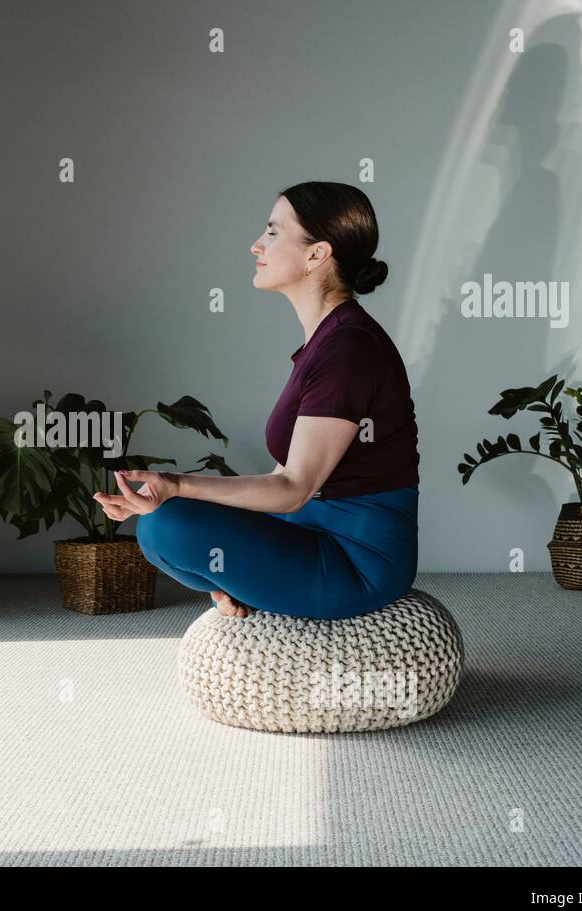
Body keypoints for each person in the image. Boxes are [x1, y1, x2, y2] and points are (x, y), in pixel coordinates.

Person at [93, 182, 419, 620]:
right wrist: (183, 505)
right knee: (167, 516)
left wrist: (177, 483)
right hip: (306, 529)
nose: (256, 245)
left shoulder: (349, 348)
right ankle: (248, 583)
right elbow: (283, 475)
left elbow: (294, 488)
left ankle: (255, 584)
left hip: (356, 562)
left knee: (166, 525)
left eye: (272, 232)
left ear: (316, 254)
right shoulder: (329, 339)